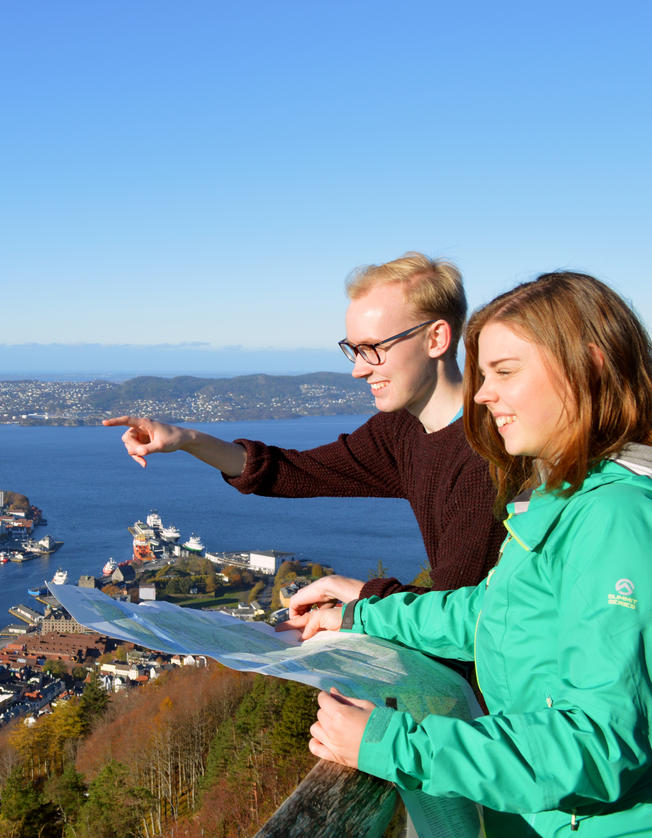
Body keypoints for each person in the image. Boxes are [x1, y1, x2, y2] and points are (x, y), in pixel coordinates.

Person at [288, 272, 652, 835]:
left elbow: (601, 744)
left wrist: (390, 743)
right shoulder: (568, 495)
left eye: (505, 372)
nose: (482, 394)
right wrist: (363, 610)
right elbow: (489, 614)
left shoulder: (616, 519)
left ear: (592, 365)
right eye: (484, 375)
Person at [105, 252, 503, 608]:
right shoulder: (401, 431)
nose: (358, 368)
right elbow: (295, 471)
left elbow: (458, 616)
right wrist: (188, 440)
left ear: (436, 338)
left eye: (373, 348)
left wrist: (353, 594)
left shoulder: (486, 455)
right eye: (353, 349)